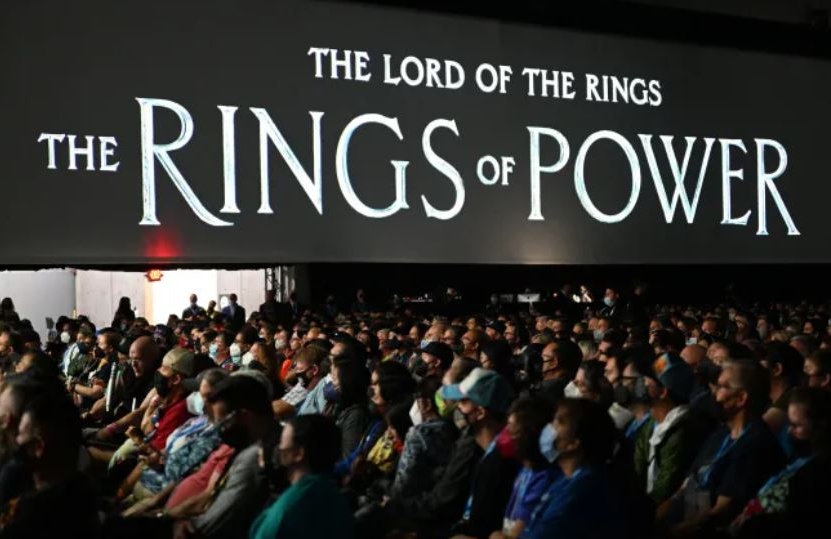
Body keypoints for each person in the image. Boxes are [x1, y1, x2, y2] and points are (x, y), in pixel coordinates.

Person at [659, 360, 785, 537]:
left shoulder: (756, 445)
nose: (715, 393)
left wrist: (674, 531)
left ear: (741, 398)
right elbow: (687, 484)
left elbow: (722, 510)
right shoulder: (721, 433)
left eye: (722, 387)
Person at [170, 375, 276, 539]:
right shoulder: (248, 444)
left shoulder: (255, 457)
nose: (220, 430)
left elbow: (210, 523)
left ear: (245, 416)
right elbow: (211, 495)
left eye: (223, 423)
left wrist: (173, 523)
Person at [0, 388, 102, 538]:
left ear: (38, 447)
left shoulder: (23, 518)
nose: (17, 440)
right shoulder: (86, 497)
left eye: (20, 433)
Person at [731, 387, 831, 538]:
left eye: (797, 425)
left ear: (821, 426)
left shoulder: (818, 475)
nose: (789, 431)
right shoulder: (797, 455)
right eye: (789, 424)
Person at [524, 398, 624, 539]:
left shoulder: (585, 488)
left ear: (574, 443)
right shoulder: (566, 480)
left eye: (558, 422)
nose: (549, 427)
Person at [441, 368, 519, 539]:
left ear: (481, 412)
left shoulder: (498, 463)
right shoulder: (488, 450)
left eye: (462, 402)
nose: (457, 407)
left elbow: (481, 527)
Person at [250, 414, 355, 539]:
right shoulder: (332, 494)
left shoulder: (288, 509)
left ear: (298, 453)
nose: (278, 449)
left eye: (282, 443)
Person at [490, 396, 556, 539]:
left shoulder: (544, 477)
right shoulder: (525, 469)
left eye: (512, 428)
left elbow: (515, 534)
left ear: (530, 434)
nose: (506, 433)